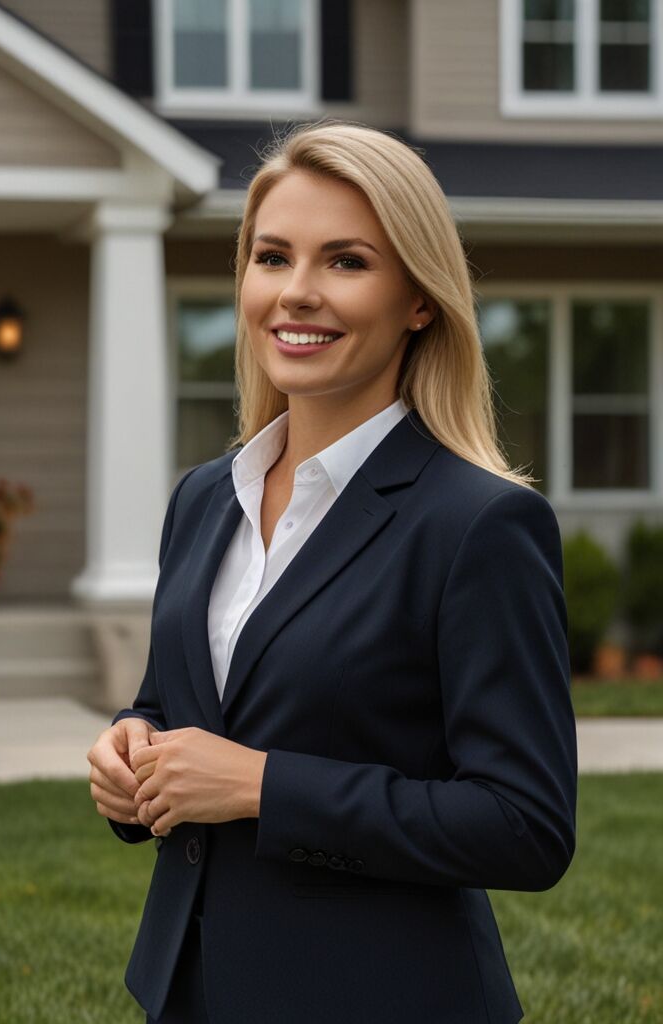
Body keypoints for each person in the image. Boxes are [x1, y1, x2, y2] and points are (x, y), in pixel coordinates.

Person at [86, 119, 577, 1024]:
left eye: (346, 262)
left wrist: (261, 786)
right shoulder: (203, 497)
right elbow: (178, 706)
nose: (296, 294)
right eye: (272, 257)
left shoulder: (480, 526)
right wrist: (131, 752)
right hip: (190, 990)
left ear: (419, 299)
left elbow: (525, 825)